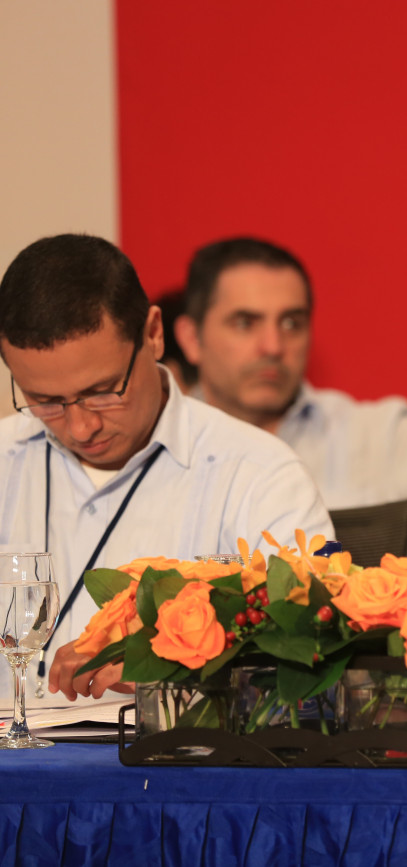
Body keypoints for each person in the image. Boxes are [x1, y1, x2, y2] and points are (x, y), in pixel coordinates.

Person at [0, 234, 333, 702]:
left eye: (103, 391)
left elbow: (316, 661)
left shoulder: (261, 474)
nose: (81, 427)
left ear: (153, 334)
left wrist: (174, 670)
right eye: (44, 401)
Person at [173, 237, 407, 550]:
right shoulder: (159, 447)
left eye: (291, 323)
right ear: (191, 338)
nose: (273, 346)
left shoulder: (377, 439)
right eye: (245, 323)